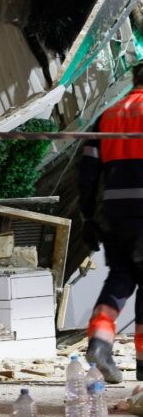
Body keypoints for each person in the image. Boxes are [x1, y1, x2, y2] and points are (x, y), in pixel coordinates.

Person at [80, 62, 143, 384]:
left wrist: (88, 215)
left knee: (120, 278)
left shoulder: (108, 115)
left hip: (115, 215)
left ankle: (100, 344)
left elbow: (88, 170)